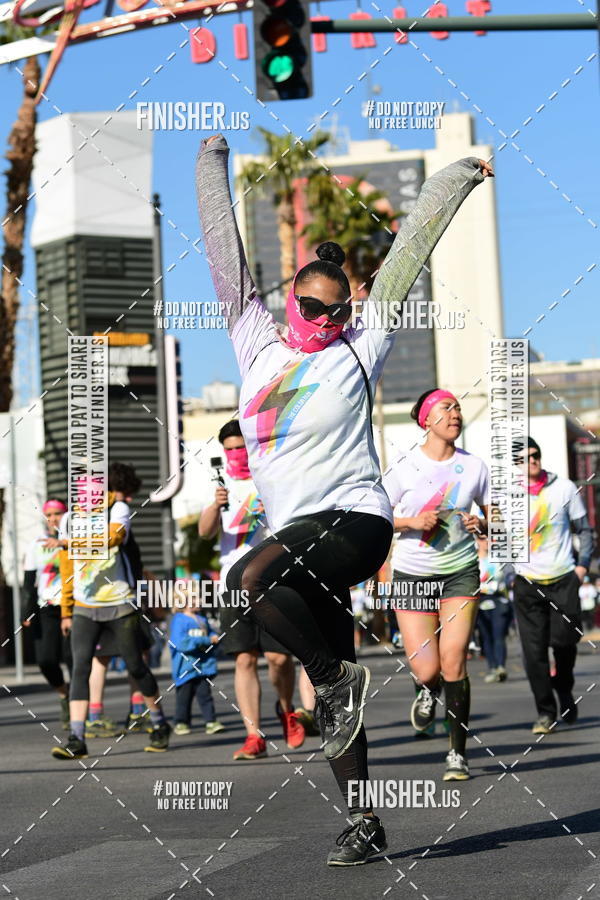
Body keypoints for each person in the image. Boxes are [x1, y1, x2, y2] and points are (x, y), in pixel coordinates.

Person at [196, 132, 491, 863]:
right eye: (311, 309)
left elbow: (412, 247)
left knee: (245, 579)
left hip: (357, 524)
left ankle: (335, 679)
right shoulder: (254, 341)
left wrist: (455, 176)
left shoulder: (361, 346)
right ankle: (366, 819)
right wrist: (210, 166)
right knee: (334, 693)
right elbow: (224, 252)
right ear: (289, 300)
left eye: (334, 312)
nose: (324, 323)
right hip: (301, 537)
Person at [383, 389, 489, 780]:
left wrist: (485, 524)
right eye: (446, 408)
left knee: (454, 658)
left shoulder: (475, 466)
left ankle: (457, 755)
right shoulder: (404, 468)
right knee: (427, 670)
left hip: (460, 570)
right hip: (412, 573)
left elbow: (494, 513)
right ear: (426, 419)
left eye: (458, 407)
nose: (455, 413)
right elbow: (377, 517)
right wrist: (412, 522)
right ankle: (426, 691)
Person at [198, 419, 305, 759]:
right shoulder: (219, 483)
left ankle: (286, 709)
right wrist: (216, 506)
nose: (235, 454)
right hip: (232, 581)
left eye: (240, 447)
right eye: (229, 449)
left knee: (278, 658)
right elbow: (204, 533)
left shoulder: (270, 475)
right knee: (244, 659)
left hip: (272, 578)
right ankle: (253, 735)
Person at [51, 476, 171, 760]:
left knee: (135, 665)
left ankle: (158, 722)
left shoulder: (116, 510)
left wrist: (71, 542)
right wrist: (66, 610)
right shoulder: (69, 518)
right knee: (80, 668)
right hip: (84, 605)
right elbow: (67, 567)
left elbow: (115, 537)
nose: (86, 496)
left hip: (120, 603)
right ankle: (76, 738)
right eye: (80, 491)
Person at [512, 437, 595, 733]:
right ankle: (545, 712)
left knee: (564, 643)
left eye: (535, 455)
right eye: (524, 458)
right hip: (527, 583)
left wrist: (582, 567)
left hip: (563, 580)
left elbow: (584, 529)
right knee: (533, 653)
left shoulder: (564, 488)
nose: (532, 461)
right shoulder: (507, 495)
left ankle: (564, 688)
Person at [22, 499, 72, 729]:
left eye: (58, 513)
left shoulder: (76, 542)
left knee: (73, 660)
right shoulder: (36, 544)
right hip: (46, 608)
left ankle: (83, 711)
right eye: (49, 514)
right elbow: (29, 582)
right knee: (45, 660)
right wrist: (26, 612)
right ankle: (64, 695)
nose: (53, 518)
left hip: (72, 606)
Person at [170, 585, 224, 735]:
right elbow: (181, 643)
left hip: (203, 667)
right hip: (185, 668)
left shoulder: (202, 619)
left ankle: (211, 721)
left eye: (199, 597)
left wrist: (214, 638)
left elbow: (211, 633)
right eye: (194, 598)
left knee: (205, 695)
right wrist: (206, 640)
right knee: (184, 698)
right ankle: (181, 722)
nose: (199, 600)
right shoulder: (179, 620)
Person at [476, 535, 512, 683]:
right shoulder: (472, 559)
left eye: (488, 538)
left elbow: (509, 575)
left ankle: (500, 667)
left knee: (498, 634)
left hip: (498, 599)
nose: (486, 542)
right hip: (480, 601)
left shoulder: (499, 557)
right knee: (486, 636)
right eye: (482, 538)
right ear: (477, 541)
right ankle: (492, 667)